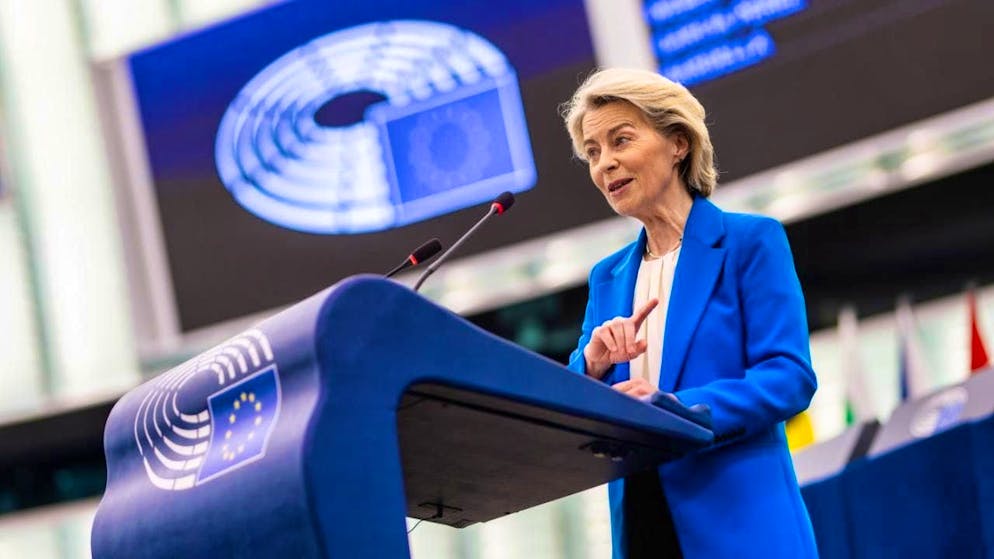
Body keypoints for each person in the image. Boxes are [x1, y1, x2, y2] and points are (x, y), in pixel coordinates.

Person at [561, 68, 819, 558]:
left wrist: (678, 410)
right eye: (593, 153)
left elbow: (789, 378)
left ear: (677, 143)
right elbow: (580, 412)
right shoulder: (607, 277)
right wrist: (591, 366)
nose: (605, 164)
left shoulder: (750, 242)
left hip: (740, 528)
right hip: (641, 524)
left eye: (621, 141)